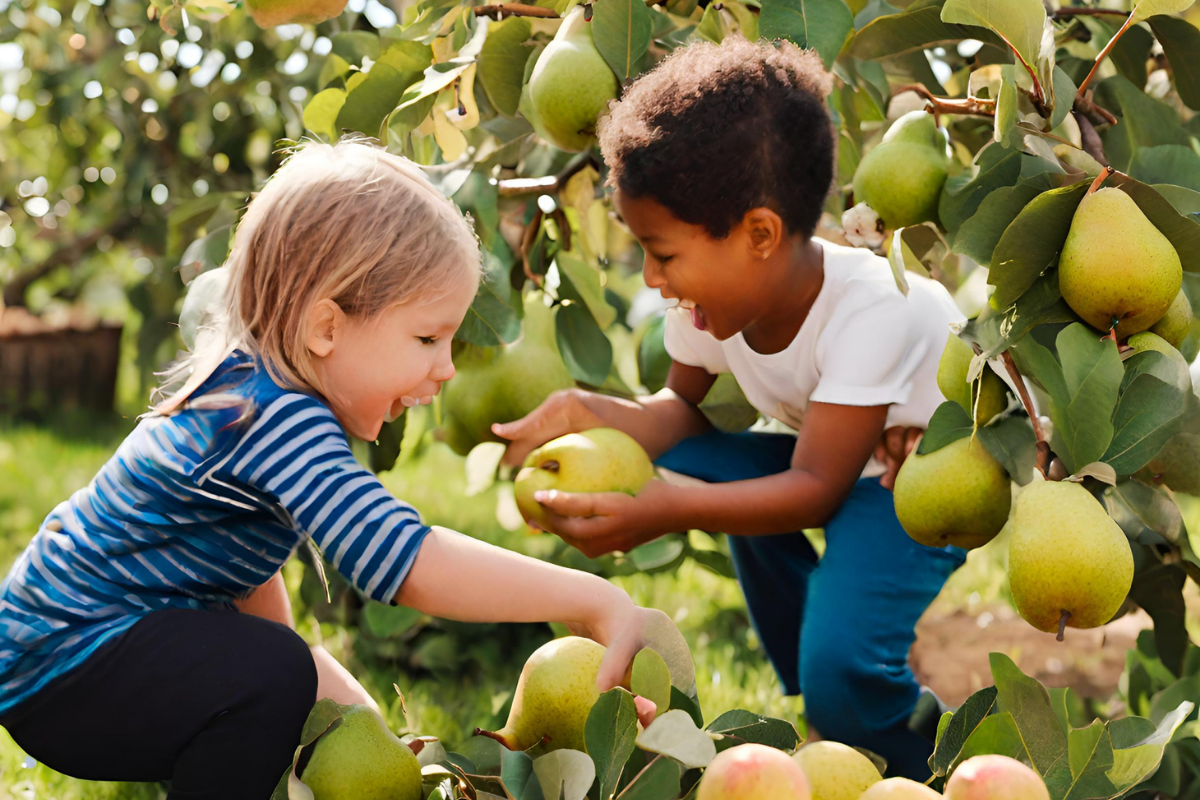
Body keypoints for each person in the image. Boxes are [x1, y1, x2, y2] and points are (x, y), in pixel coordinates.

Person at [0, 137, 665, 799]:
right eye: (427, 338)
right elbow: (408, 564)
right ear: (326, 327)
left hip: (55, 658)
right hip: (67, 667)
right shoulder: (278, 417)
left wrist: (346, 720)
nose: (447, 368)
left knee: (271, 672)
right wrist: (592, 598)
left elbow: (248, 589)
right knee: (272, 674)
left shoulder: (253, 389)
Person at [496, 37, 966, 780]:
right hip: (832, 452)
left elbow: (817, 488)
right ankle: (819, 691)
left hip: (916, 483)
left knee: (847, 667)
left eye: (665, 253)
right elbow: (678, 417)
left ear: (759, 235)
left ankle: (933, 763)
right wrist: (593, 412)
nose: (652, 279)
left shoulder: (873, 308)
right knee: (685, 465)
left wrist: (666, 510)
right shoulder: (711, 300)